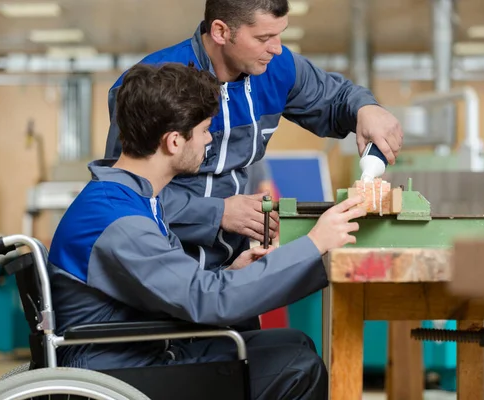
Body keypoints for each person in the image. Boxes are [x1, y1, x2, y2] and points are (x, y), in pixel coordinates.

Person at [49, 62, 366, 400]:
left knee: (292, 343)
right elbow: (210, 300)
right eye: (203, 130)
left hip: (141, 351)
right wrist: (314, 243)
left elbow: (178, 286)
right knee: (297, 366)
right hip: (122, 373)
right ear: (173, 141)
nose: (209, 140)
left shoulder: (130, 198)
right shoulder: (120, 222)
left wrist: (231, 271)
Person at [104, 2, 404, 312]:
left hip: (234, 270)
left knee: (276, 350)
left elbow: (335, 97)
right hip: (161, 273)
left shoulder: (276, 68)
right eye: (263, 38)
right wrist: (217, 212)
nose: (276, 49)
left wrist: (365, 108)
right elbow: (126, 194)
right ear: (221, 31)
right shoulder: (154, 88)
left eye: (280, 34)